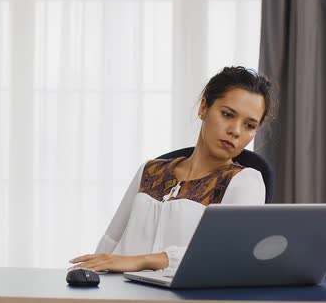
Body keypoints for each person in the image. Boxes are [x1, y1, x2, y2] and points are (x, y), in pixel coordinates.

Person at [69, 66, 278, 273]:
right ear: (204, 107)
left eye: (249, 125)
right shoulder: (150, 170)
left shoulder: (245, 181)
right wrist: (89, 277)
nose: (235, 131)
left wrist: (143, 261)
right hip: (120, 292)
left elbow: (230, 253)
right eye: (227, 114)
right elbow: (111, 241)